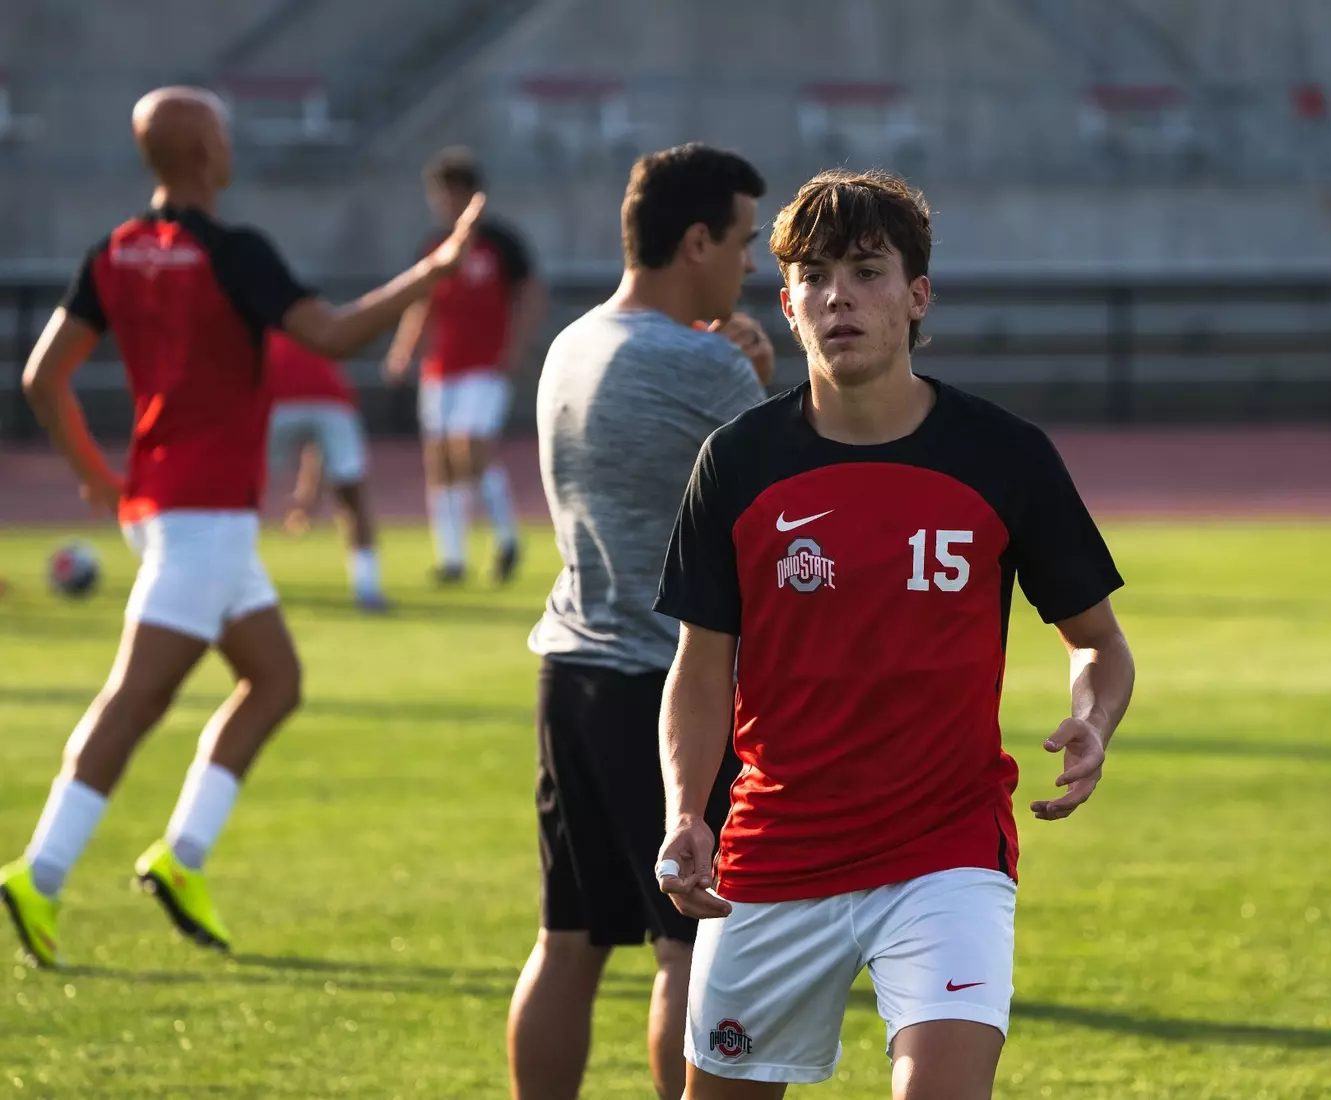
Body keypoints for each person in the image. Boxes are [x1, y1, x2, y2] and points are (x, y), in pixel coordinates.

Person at [652, 169, 1138, 1099]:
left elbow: (1098, 642)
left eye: (868, 272)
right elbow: (701, 668)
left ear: (916, 298)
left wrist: (1093, 719)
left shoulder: (1003, 454)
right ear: (788, 304)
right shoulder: (736, 464)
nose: (841, 296)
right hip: (774, 851)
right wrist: (685, 810)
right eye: (817, 276)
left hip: (945, 852)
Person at [0, 86, 482, 968]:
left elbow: (42, 379)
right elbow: (333, 336)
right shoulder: (234, 253)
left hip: (162, 507)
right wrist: (433, 274)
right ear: (202, 154)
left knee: (274, 680)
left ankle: (181, 858)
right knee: (136, 698)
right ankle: (40, 870)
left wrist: (96, 481)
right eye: (220, 133)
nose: (229, 146)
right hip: (207, 519)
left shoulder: (111, 252)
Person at [513, 143, 773, 1100]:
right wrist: (753, 369)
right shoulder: (701, 365)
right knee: (689, 947)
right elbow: (788, 490)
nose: (751, 266)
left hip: (570, 667)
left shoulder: (572, 341)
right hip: (665, 689)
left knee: (568, 939)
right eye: (743, 243)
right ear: (695, 240)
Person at [386, 147, 546, 586]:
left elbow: (530, 294)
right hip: (441, 368)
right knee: (440, 460)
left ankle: (507, 538)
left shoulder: (502, 243)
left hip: (484, 366)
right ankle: (452, 558)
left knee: (468, 449)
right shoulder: (435, 245)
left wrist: (515, 348)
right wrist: (404, 350)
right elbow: (422, 304)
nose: (443, 203)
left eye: (451, 194)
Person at [265, 330, 388, 612]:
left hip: (287, 399)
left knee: (242, 493)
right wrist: (306, 495)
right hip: (321, 399)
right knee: (352, 496)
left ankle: (229, 587)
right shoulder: (310, 323)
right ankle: (368, 587)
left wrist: (306, 495)